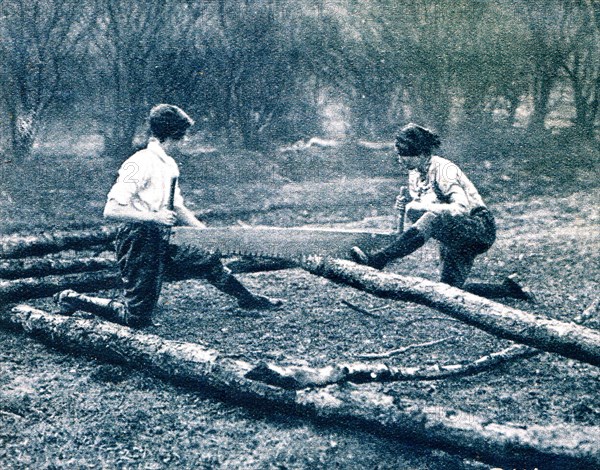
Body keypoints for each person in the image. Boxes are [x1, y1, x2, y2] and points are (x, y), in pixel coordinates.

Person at [55, 104, 282, 327]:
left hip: (164, 235)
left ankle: (247, 299)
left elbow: (178, 207)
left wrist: (208, 236)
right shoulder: (138, 163)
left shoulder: (169, 165)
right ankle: (73, 299)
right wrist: (154, 218)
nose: (185, 142)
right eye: (183, 137)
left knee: (207, 260)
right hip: (138, 239)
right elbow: (112, 210)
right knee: (137, 318)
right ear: (172, 136)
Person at [350, 123, 532, 300]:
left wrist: (418, 207)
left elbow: (460, 208)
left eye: (406, 154)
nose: (400, 159)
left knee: (432, 217)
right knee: (450, 292)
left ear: (422, 153)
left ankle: (378, 260)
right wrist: (409, 204)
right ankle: (508, 289)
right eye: (399, 153)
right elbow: (424, 213)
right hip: (453, 230)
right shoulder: (415, 174)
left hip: (478, 226)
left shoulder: (444, 170)